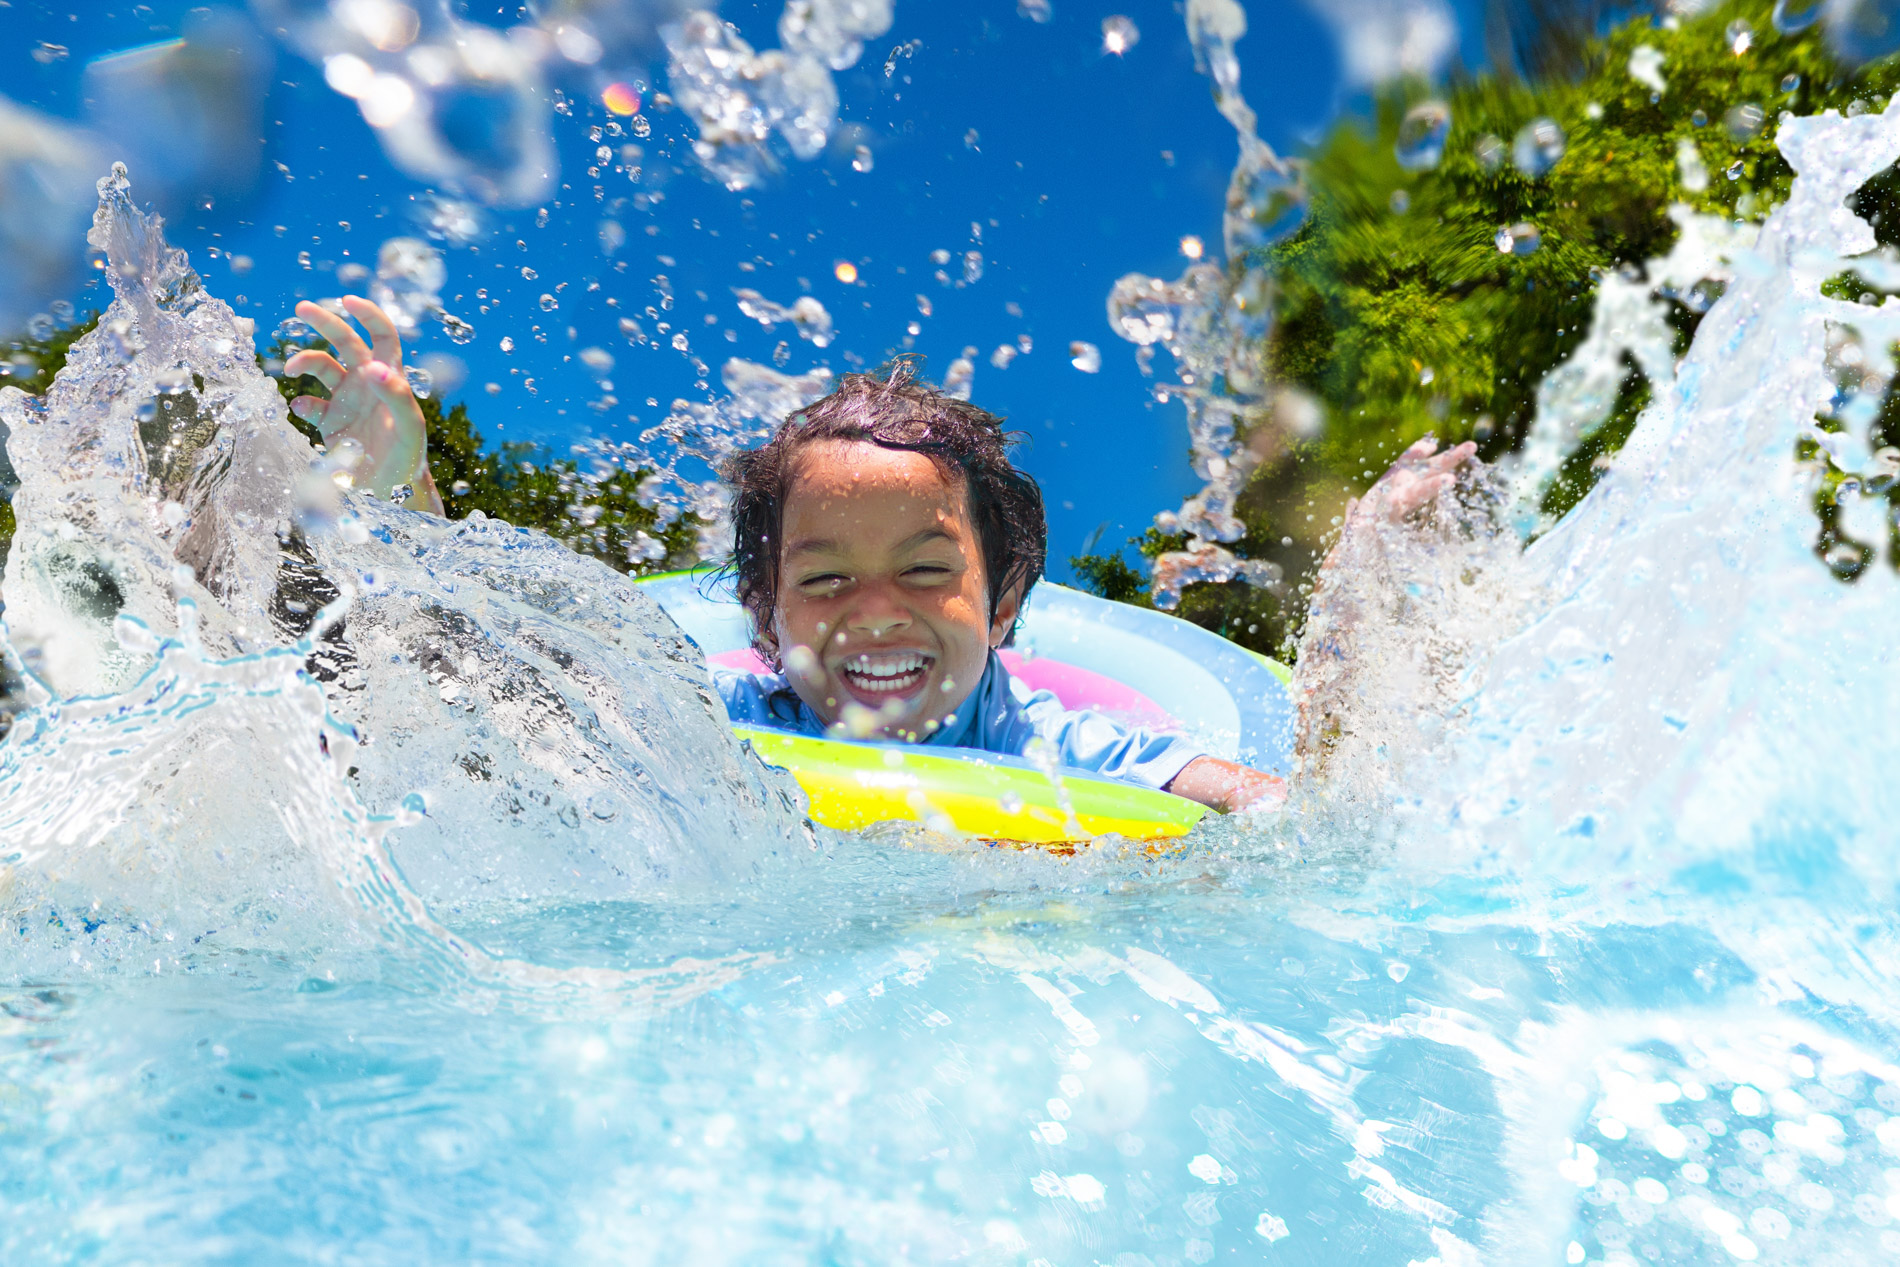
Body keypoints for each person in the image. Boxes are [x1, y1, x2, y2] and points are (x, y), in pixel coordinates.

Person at [284, 298, 1464, 816]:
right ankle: (398, 508)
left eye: (925, 569)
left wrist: (1362, 609)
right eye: (825, 579)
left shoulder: (1064, 743)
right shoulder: (720, 711)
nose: (875, 614)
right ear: (763, 610)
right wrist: (417, 520)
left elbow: (1289, 813)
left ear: (1002, 602)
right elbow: (510, 687)